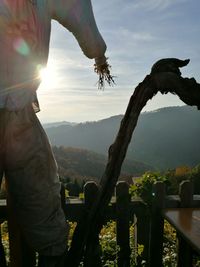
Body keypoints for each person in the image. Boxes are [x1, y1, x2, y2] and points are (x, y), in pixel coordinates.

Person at [0, 0, 109, 266]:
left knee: (41, 197)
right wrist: (98, 54)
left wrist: (98, 52)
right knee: (42, 204)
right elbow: (77, 9)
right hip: (18, 111)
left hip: (19, 112)